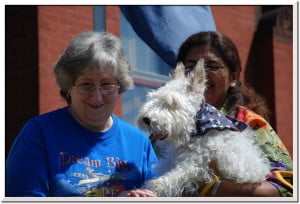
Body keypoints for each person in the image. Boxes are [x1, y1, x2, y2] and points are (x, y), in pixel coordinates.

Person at [5, 31, 158, 197]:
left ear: (119, 87)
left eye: (106, 84)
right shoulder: (40, 133)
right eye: (86, 84)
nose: (97, 96)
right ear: (69, 87)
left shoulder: (139, 143)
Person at [174, 31, 292, 197]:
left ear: (233, 77)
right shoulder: (164, 127)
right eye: (190, 66)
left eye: (213, 67)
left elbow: (288, 188)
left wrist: (214, 188)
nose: (198, 73)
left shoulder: (249, 123)